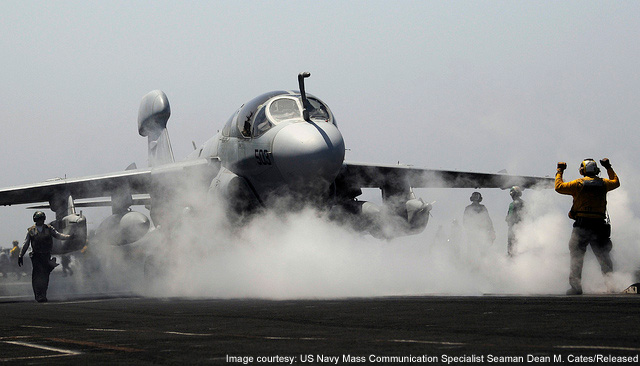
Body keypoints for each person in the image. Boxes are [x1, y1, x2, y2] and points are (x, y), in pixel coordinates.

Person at [555, 158, 620, 295]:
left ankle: (576, 287)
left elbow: (558, 187)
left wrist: (560, 170)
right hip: (599, 224)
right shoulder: (603, 184)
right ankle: (611, 285)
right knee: (604, 256)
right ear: (596, 170)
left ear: (582, 171)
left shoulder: (578, 184)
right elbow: (616, 182)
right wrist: (608, 167)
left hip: (582, 225)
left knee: (576, 257)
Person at [18, 211, 73, 302]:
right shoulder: (31, 230)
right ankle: (38, 295)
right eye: (39, 219)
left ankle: (43, 294)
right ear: (35, 220)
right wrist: (20, 255)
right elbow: (26, 244)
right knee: (37, 276)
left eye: (42, 219)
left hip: (46, 255)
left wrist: (68, 237)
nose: (41, 221)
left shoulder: (49, 228)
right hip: (36, 256)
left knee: (45, 275)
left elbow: (58, 235)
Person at [505, 186, 525, 257]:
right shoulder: (523, 203)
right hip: (521, 227)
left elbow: (509, 217)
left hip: (514, 227)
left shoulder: (512, 204)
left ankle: (511, 257)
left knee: (512, 245)